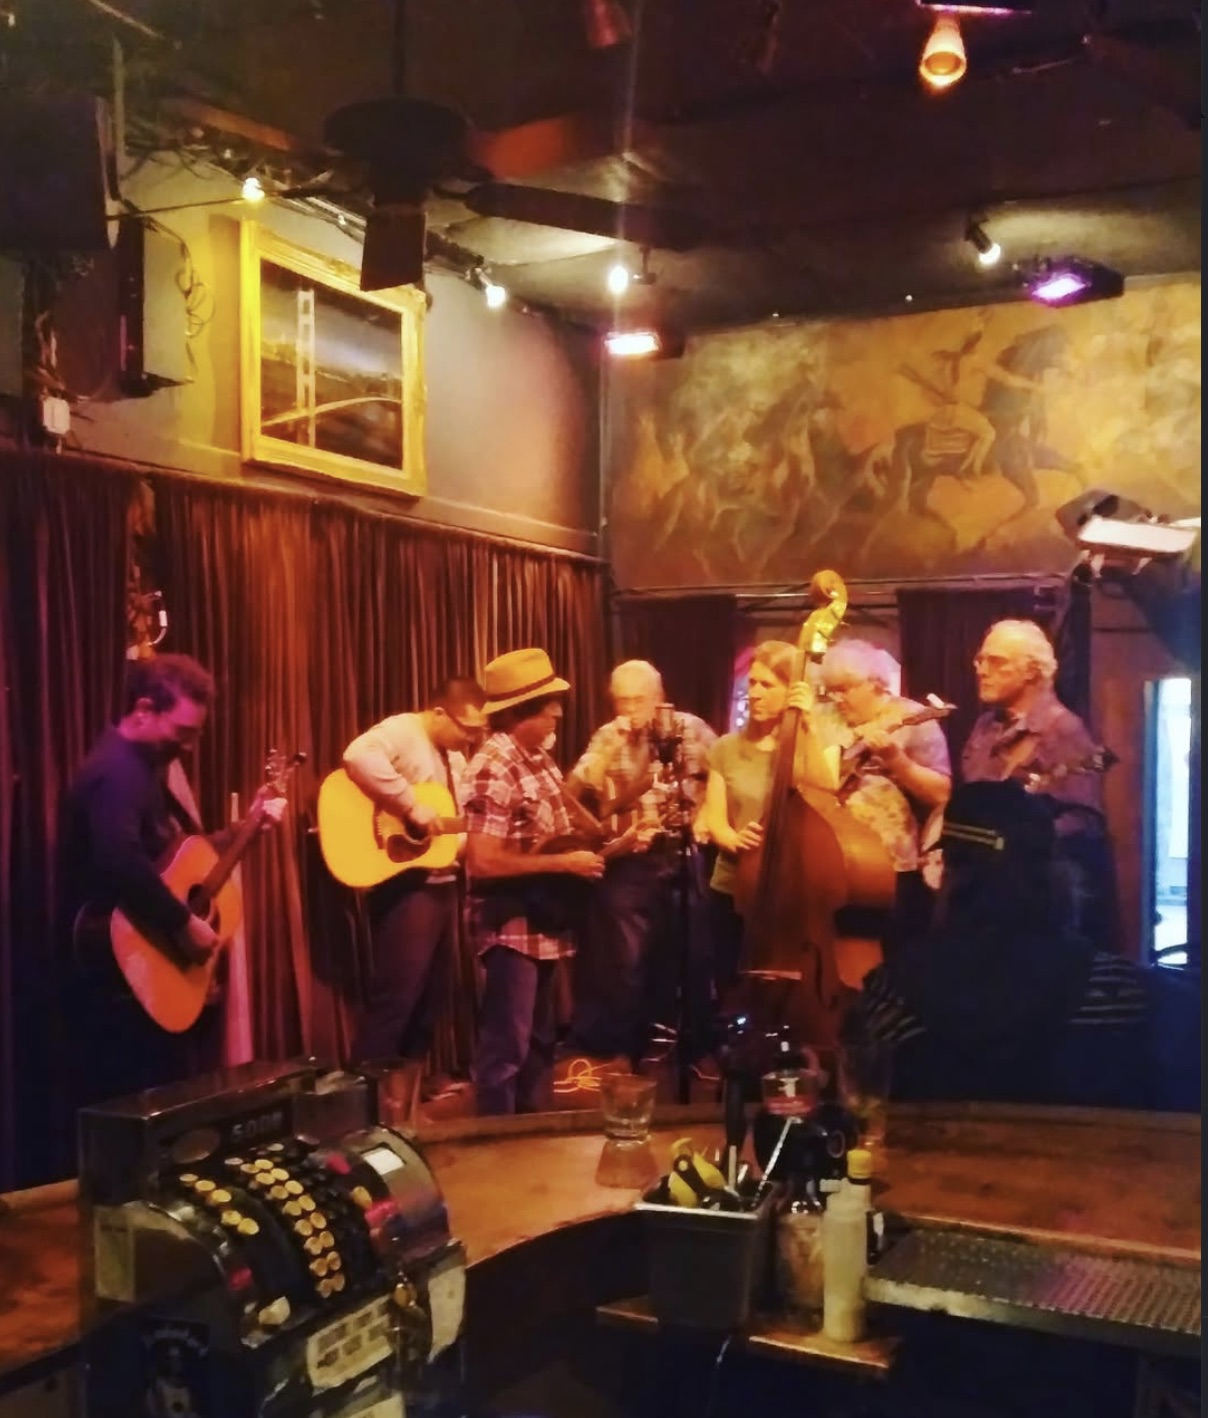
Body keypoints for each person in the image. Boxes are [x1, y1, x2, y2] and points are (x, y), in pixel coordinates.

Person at [56, 653, 286, 1104]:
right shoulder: (118, 772)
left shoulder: (143, 770)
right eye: (183, 732)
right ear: (144, 709)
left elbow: (176, 861)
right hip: (120, 976)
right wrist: (181, 923)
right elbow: (118, 859)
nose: (190, 746)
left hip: (137, 973)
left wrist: (245, 830)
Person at [845, 781, 1151, 1110]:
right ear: (1056, 875)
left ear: (951, 875)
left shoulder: (891, 995)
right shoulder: (1118, 991)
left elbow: (863, 1105)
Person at [462, 648, 605, 1115]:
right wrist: (564, 867)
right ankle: (496, 1149)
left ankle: (536, 1140)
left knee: (543, 1044)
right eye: (549, 706)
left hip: (544, 922)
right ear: (520, 712)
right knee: (507, 1048)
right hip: (511, 929)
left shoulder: (538, 759)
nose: (558, 713)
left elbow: (568, 831)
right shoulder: (493, 765)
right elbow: (482, 863)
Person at [563, 660, 717, 1069]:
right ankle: (619, 1048)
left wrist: (704, 818)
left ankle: (699, 1046)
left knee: (694, 951)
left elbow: (723, 783)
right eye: (622, 701)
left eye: (639, 700)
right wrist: (608, 750)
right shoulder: (606, 736)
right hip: (631, 857)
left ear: (659, 698)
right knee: (623, 957)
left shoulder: (691, 728)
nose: (630, 710)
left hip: (683, 849)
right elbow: (569, 794)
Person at [341, 677, 487, 1077]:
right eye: (466, 729)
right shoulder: (404, 731)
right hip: (406, 886)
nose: (471, 739)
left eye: (478, 732)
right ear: (440, 713)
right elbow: (357, 756)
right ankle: (362, 1110)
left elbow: (452, 827)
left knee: (429, 1002)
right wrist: (409, 806)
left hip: (441, 885)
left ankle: (403, 1108)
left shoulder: (454, 759)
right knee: (396, 999)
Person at [961, 618, 1117, 946]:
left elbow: (1085, 820)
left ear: (1032, 672)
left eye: (996, 661)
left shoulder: (1062, 730)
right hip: (981, 898)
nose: (981, 669)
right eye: (980, 659)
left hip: (1032, 903)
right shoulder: (985, 728)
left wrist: (1022, 843)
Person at [807, 638, 952, 945]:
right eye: (831, 689)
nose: (837, 698)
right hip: (828, 861)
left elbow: (941, 793)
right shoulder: (827, 718)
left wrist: (895, 759)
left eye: (845, 688)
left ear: (875, 683)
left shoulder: (914, 719)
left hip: (890, 868)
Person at [701, 640, 797, 999]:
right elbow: (716, 819)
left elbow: (826, 788)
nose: (755, 693)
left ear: (791, 690)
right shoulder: (725, 748)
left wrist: (805, 726)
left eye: (768, 685)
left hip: (789, 889)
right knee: (730, 981)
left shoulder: (802, 750)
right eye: (752, 683)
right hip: (732, 885)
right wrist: (732, 839)